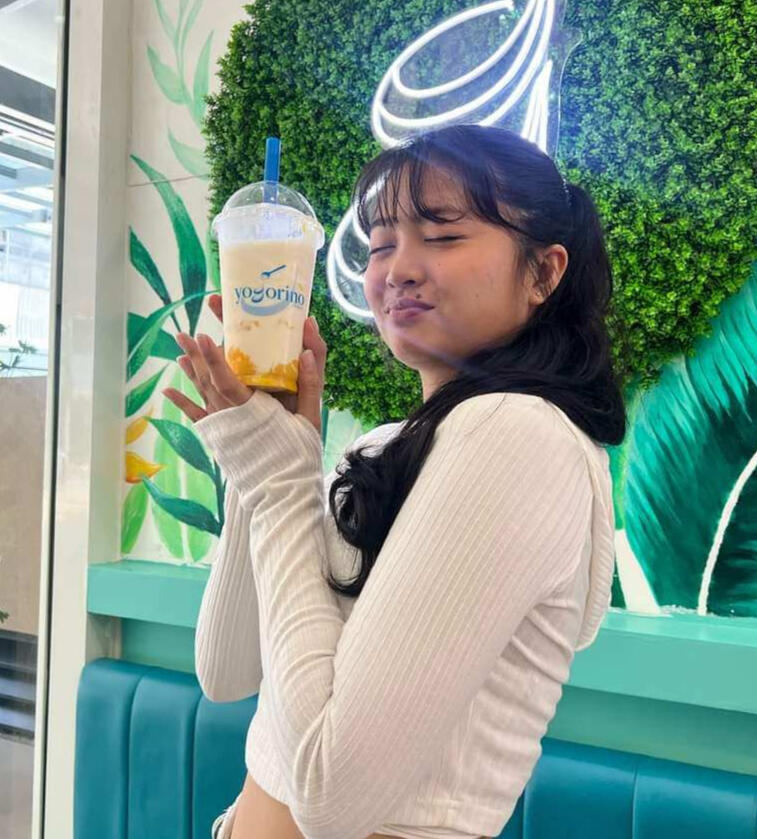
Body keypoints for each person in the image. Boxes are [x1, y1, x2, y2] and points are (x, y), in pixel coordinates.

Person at [164, 123, 627, 839]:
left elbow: (330, 797)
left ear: (543, 272)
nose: (398, 269)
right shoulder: (385, 447)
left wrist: (281, 480)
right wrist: (263, 454)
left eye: (442, 236)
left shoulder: (519, 434)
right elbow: (227, 670)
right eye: (380, 245)